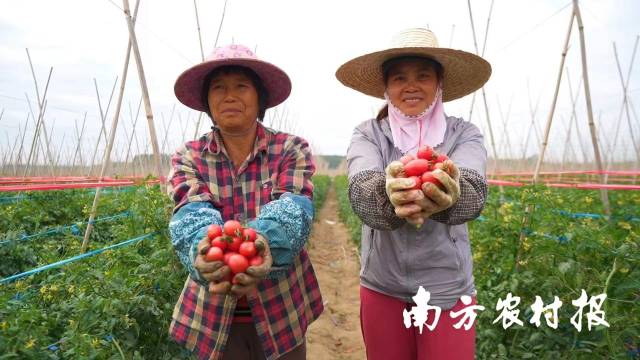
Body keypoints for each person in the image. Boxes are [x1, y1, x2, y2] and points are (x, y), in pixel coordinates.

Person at [336, 28, 491, 359]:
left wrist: (450, 197)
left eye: (423, 76)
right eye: (399, 78)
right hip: (383, 285)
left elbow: (473, 191)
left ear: (439, 85)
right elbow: (362, 188)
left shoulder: (464, 134)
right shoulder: (369, 134)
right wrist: (388, 195)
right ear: (386, 88)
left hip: (447, 288)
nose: (411, 85)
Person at [167, 44, 323, 360]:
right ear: (208, 102)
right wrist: (204, 249)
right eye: (219, 87)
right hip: (213, 320)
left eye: (241, 86)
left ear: (260, 98)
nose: (229, 95)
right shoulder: (189, 156)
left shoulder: (290, 149)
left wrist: (263, 243)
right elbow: (190, 211)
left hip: (282, 313)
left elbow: (294, 207)